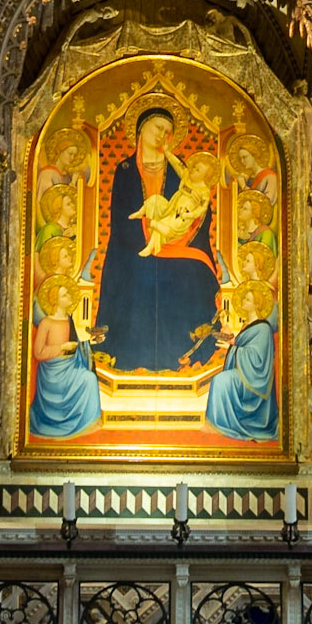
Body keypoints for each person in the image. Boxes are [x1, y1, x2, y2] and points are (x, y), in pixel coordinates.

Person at [96, 107, 219, 373]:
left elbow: (200, 214)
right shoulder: (125, 170)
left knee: (190, 272)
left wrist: (175, 238)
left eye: (167, 130)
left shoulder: (183, 172)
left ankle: (181, 355)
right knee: (137, 275)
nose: (162, 134)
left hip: (177, 245)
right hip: (132, 248)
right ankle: (128, 358)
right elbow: (120, 217)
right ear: (141, 131)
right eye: (157, 127)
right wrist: (147, 239)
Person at [28, 281, 103, 438]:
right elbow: (38, 353)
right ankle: (66, 422)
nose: (70, 296)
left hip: (70, 367)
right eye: (65, 295)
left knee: (89, 378)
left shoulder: (69, 319)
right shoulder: (46, 323)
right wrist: (61, 347)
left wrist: (91, 342)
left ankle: (88, 421)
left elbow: (76, 345)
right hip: (52, 374)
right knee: (88, 379)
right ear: (55, 300)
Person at [206, 295, 279, 440]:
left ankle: (222, 424)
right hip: (246, 372)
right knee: (220, 380)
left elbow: (258, 358)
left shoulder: (263, 328)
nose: (243, 301)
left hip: (255, 378)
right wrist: (230, 339)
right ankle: (219, 423)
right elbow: (241, 344)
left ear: (256, 304)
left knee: (221, 381)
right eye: (244, 298)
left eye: (248, 300)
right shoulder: (249, 325)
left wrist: (232, 347)